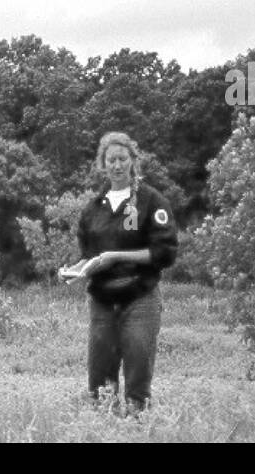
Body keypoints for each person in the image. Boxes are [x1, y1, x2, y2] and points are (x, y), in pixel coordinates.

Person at [61, 132, 178, 414]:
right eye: (110, 160)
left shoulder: (152, 201)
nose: (116, 165)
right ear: (103, 164)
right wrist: (74, 270)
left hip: (140, 296)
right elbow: (89, 257)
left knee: (138, 366)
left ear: (133, 161)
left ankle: (138, 423)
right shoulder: (92, 209)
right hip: (102, 300)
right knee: (100, 375)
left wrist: (116, 257)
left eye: (122, 159)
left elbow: (164, 253)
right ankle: (105, 426)